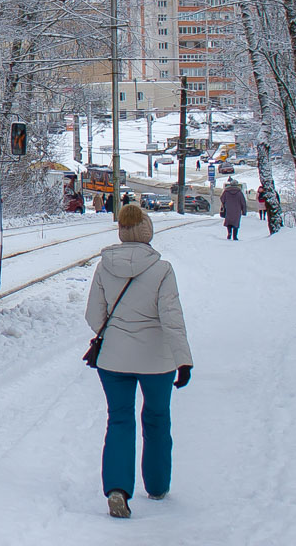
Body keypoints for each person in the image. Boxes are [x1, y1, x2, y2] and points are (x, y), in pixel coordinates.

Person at [85, 203, 194, 519]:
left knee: (119, 419)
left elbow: (93, 315)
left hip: (113, 361)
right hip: (156, 362)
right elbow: (172, 319)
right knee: (157, 418)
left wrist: (117, 333)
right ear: (147, 233)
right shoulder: (162, 270)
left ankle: (117, 489)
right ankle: (157, 485)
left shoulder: (104, 266)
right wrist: (183, 360)